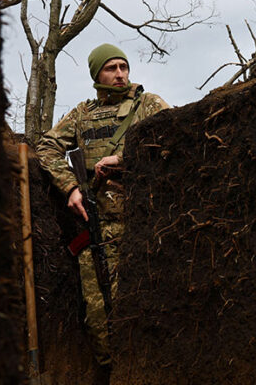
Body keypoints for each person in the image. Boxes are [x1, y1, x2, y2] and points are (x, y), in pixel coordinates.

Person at [36, 43, 170, 369]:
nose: (120, 74)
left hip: (140, 222)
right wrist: (69, 187)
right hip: (95, 227)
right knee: (97, 313)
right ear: (97, 74)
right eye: (111, 68)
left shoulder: (147, 104)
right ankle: (112, 370)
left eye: (123, 67)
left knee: (139, 304)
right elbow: (46, 148)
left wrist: (123, 159)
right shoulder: (82, 115)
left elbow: (173, 137)